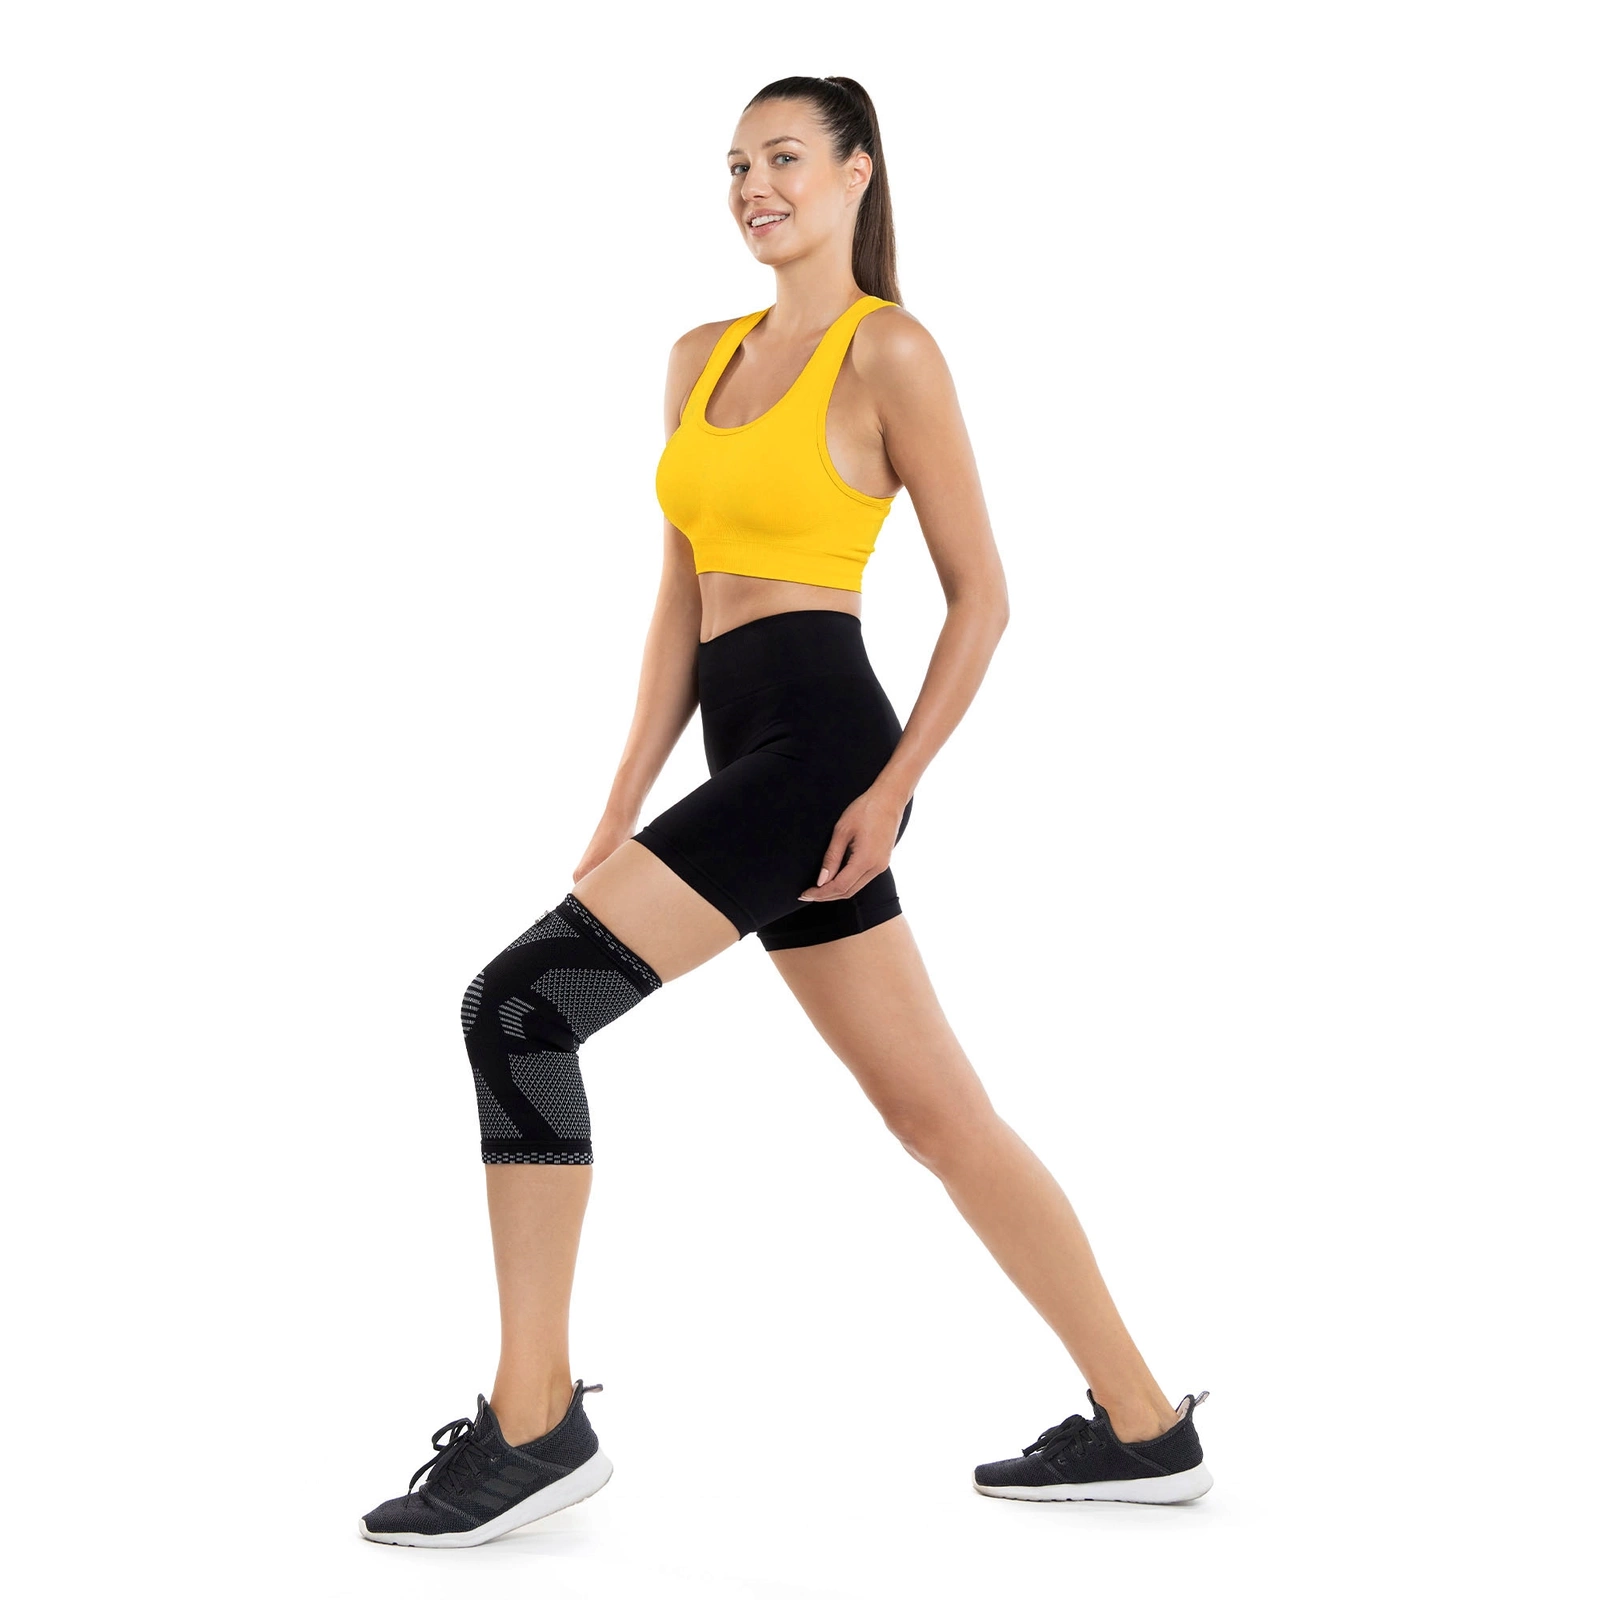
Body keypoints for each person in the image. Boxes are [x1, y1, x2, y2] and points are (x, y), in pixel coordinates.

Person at [359, 73, 1210, 1549]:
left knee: (520, 1009)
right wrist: (622, 805)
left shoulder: (891, 352)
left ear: (857, 173)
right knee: (938, 1115)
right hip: (740, 747)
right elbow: (677, 605)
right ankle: (1146, 1425)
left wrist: (892, 789)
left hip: (824, 754)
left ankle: (533, 1418)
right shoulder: (699, 357)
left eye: (787, 158)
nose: (756, 186)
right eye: (737, 164)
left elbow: (984, 598)